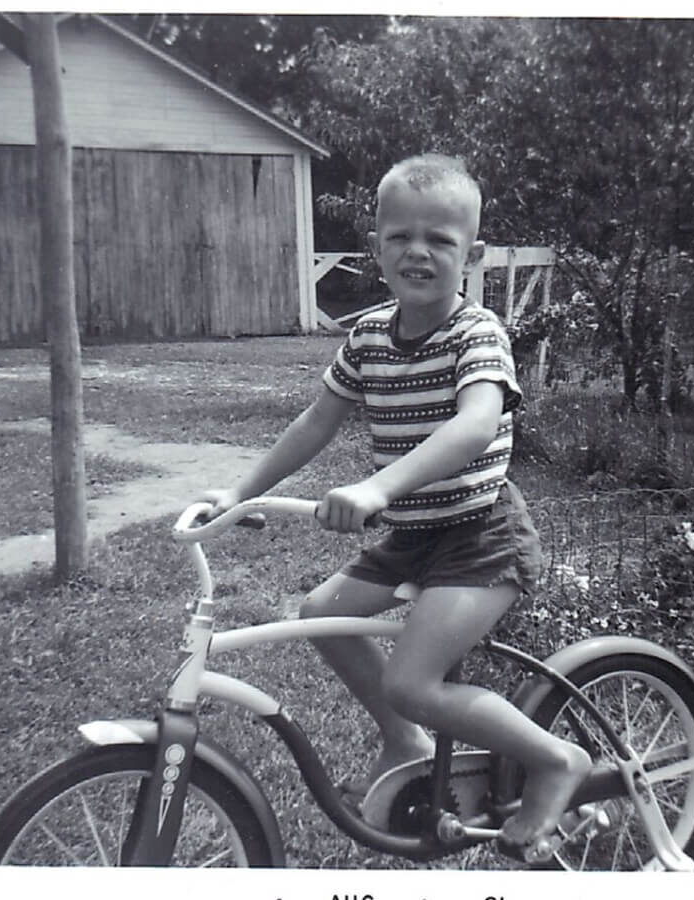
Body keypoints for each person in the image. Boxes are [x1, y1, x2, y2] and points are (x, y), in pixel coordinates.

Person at [200, 153, 591, 862]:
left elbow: (474, 423)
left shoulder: (477, 334)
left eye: (440, 240)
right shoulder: (370, 335)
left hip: (481, 536)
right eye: (401, 236)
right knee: (319, 615)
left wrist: (380, 488)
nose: (419, 251)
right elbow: (316, 421)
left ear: (469, 254)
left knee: (415, 680)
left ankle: (557, 760)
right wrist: (239, 492)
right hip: (414, 534)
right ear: (375, 247)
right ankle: (404, 737)